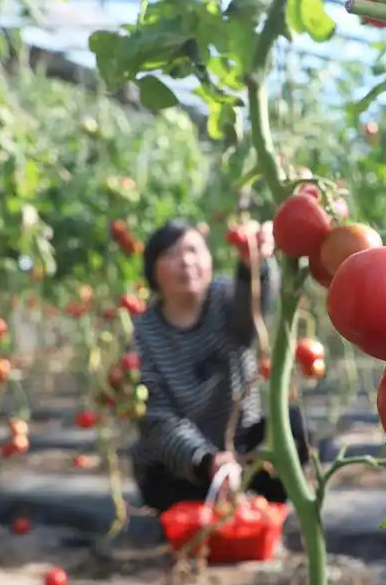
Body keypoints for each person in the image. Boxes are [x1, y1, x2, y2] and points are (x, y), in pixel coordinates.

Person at [129, 218, 313, 513]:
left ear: (209, 259)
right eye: (171, 254)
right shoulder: (143, 334)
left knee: (291, 425)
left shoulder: (225, 300)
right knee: (162, 476)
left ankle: (261, 505)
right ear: (153, 270)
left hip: (242, 453)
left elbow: (251, 309)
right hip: (185, 470)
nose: (186, 261)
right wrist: (205, 460)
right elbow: (157, 417)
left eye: (193, 250)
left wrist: (254, 265)